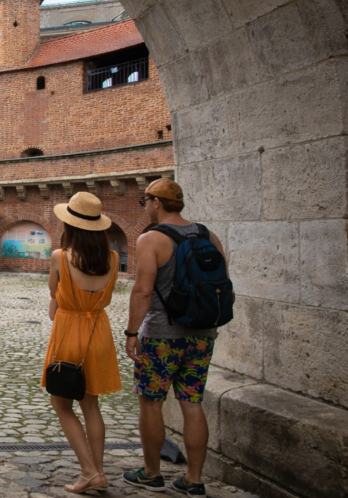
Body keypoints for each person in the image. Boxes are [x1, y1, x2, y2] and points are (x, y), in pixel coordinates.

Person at [123, 179, 230, 496]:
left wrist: (131, 333)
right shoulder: (208, 235)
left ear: (156, 202)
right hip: (202, 335)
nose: (147, 207)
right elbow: (224, 286)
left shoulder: (150, 239)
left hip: (162, 336)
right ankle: (194, 480)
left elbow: (143, 291)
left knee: (151, 403)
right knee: (192, 403)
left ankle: (152, 474)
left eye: (146, 202)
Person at [42, 192, 122, 494]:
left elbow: (53, 292)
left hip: (69, 330)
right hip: (98, 332)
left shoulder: (60, 257)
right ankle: (97, 471)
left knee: (61, 403)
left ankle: (89, 471)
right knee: (91, 404)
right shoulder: (113, 259)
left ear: (70, 226)